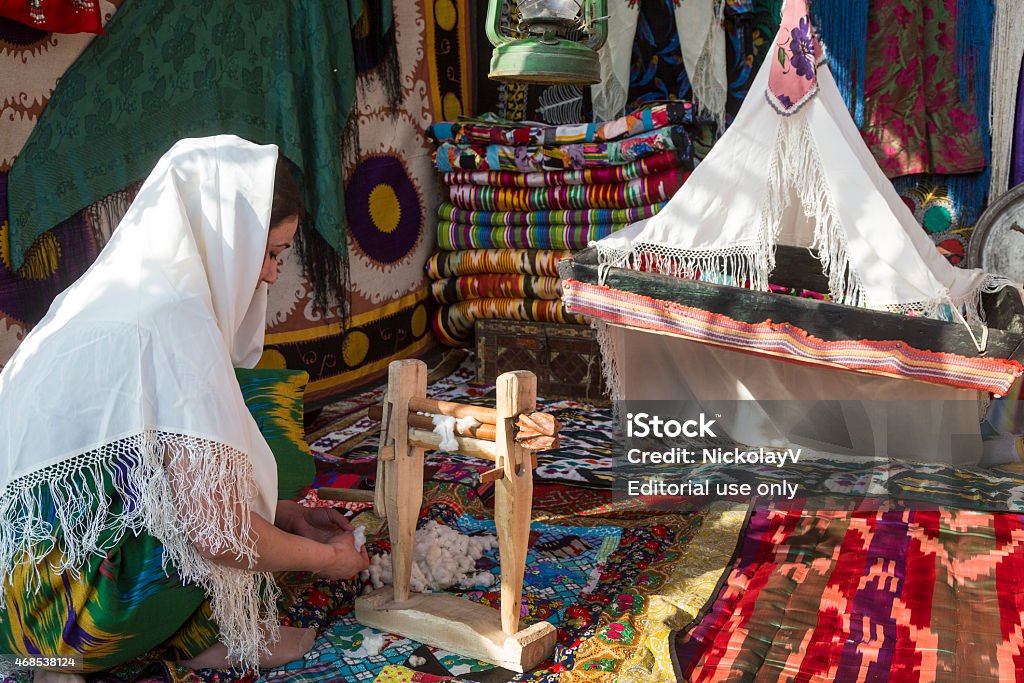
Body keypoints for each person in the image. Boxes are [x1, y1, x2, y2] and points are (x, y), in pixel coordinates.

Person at [0, 136, 369, 681]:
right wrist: (327, 560)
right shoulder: (175, 319)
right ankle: (103, 650)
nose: (269, 275)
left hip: (18, 597)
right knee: (222, 521)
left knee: (217, 493)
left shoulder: (113, 294)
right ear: (230, 244)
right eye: (269, 254)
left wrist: (284, 515)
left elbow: (142, 477)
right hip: (57, 614)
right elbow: (219, 532)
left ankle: (132, 643)